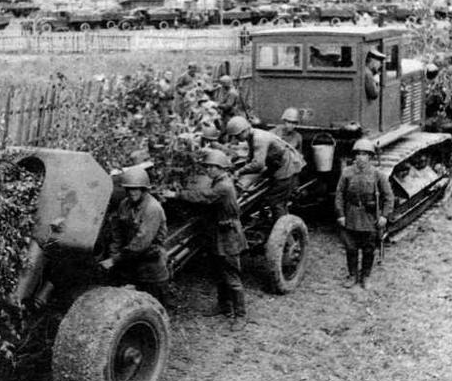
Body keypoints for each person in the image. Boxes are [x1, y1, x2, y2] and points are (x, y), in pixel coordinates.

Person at [161, 149, 248, 330]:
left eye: (211, 167)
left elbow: (203, 196)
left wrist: (176, 195)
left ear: (220, 168)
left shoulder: (223, 186)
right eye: (207, 167)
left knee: (231, 276)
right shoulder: (219, 181)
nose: (207, 170)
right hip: (219, 233)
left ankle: (240, 315)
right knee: (219, 272)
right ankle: (224, 306)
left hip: (229, 235)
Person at [101, 167, 172, 306]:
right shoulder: (124, 204)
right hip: (131, 259)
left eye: (136, 189)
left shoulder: (152, 208)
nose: (132, 193)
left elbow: (141, 242)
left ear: (144, 189)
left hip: (151, 261)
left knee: (156, 303)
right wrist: (113, 253)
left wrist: (114, 260)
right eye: (129, 189)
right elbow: (117, 232)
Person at [334, 139, 394, 290]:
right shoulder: (347, 172)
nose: (360, 157)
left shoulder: (377, 174)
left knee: (368, 249)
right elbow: (339, 195)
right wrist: (340, 214)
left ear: (370, 157)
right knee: (351, 248)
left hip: (369, 218)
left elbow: (389, 197)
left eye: (364, 154)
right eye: (358, 154)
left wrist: (384, 216)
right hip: (351, 215)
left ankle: (366, 276)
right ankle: (352, 275)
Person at [226, 116, 306, 221]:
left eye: (237, 136)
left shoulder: (259, 138)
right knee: (262, 191)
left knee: (276, 201)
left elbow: (258, 164)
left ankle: (282, 226)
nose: (236, 139)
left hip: (285, 165)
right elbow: (251, 156)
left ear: (245, 130)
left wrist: (239, 172)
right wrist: (243, 171)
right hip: (274, 164)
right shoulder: (251, 135)